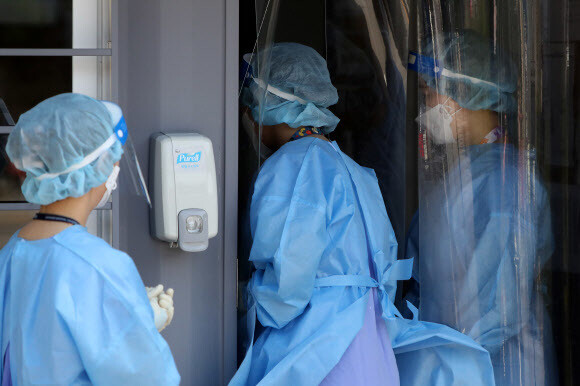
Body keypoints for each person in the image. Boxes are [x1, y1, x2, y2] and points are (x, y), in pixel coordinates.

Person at [231, 42, 496, 386]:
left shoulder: (292, 166)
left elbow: (286, 285)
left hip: (318, 351)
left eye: (250, 103)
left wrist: (244, 306)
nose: (248, 116)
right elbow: (384, 269)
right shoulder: (354, 170)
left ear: (268, 103)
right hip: (372, 346)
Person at [406, 30, 556, 385]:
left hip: (492, 367)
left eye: (430, 96)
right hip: (452, 358)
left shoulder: (505, 183)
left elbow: (498, 309)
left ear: (465, 93)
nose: (424, 112)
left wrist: (448, 362)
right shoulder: (466, 171)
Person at [0, 94, 180, 385]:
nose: (116, 166)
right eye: (114, 158)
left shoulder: (11, 253)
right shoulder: (99, 267)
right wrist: (141, 326)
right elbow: (146, 377)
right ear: (94, 168)